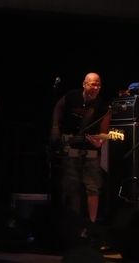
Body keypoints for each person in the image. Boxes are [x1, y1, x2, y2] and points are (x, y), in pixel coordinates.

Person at [49, 72, 111, 224]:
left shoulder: (102, 106)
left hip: (90, 151)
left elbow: (104, 133)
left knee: (93, 187)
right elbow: (58, 106)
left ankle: (91, 224)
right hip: (70, 148)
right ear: (84, 84)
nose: (95, 87)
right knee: (72, 187)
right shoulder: (72, 96)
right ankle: (73, 223)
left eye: (98, 85)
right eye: (92, 84)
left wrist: (101, 141)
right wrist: (55, 127)